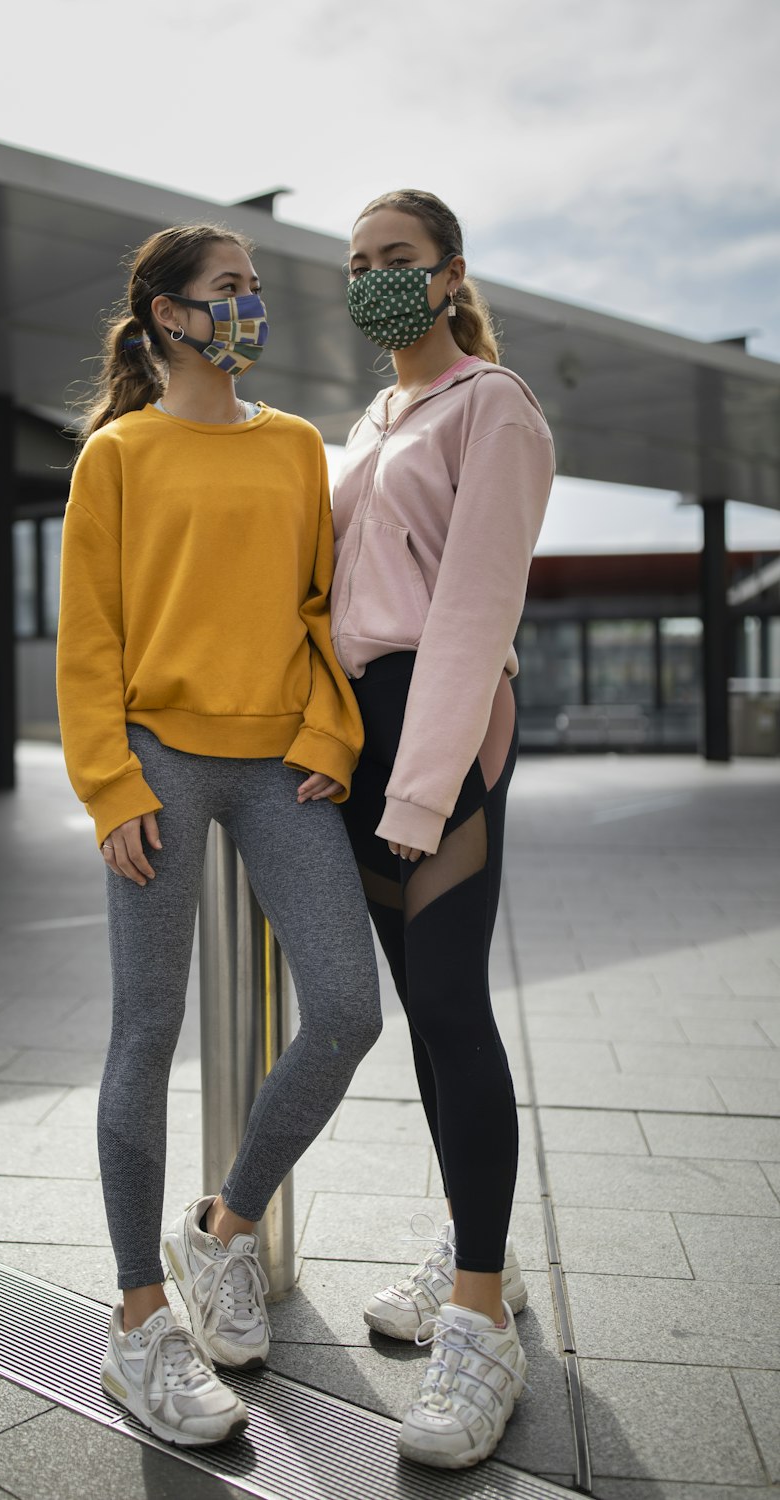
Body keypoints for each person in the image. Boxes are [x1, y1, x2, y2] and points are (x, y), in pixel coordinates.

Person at [56, 223, 382, 1449]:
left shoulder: (297, 446)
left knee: (347, 1008)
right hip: (155, 758)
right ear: (165, 316)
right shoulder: (118, 455)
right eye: (225, 290)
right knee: (146, 1028)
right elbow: (88, 636)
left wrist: (329, 739)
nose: (248, 307)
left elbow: (322, 610)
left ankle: (225, 1230)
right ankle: (140, 1324)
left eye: (252, 289)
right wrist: (109, 785)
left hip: (282, 764)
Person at [331, 188, 554, 1470]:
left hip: (441, 727)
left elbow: (471, 611)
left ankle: (480, 1325)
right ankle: (482, 1247)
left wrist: (418, 791)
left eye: (395, 260)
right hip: (356, 736)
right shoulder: (367, 422)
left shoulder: (494, 405)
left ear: (448, 272)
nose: (373, 278)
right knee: (423, 1010)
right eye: (356, 263)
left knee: (454, 1006)